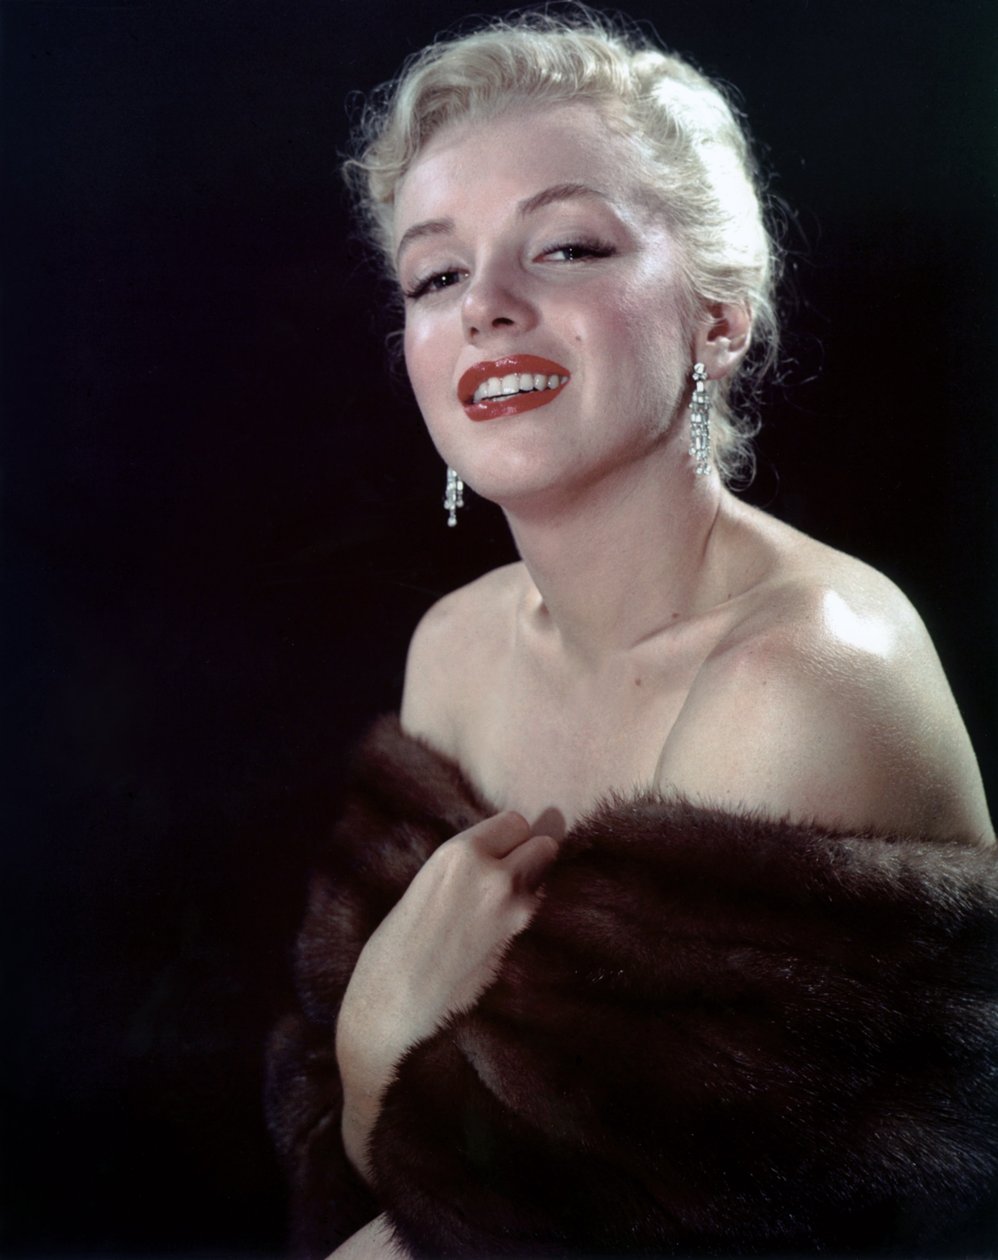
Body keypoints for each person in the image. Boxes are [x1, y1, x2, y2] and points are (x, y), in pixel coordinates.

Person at [266, 11, 997, 1258]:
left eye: (563, 248)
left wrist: (375, 1047)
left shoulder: (802, 675)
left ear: (718, 317)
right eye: (435, 276)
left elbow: (553, 1233)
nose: (486, 307)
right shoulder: (455, 647)